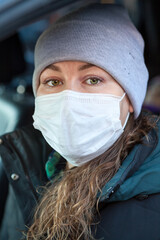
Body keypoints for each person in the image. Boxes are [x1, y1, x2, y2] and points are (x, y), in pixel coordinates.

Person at [0, 3, 160, 240]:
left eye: (93, 80)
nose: (69, 99)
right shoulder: (25, 166)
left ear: (129, 99)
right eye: (53, 81)